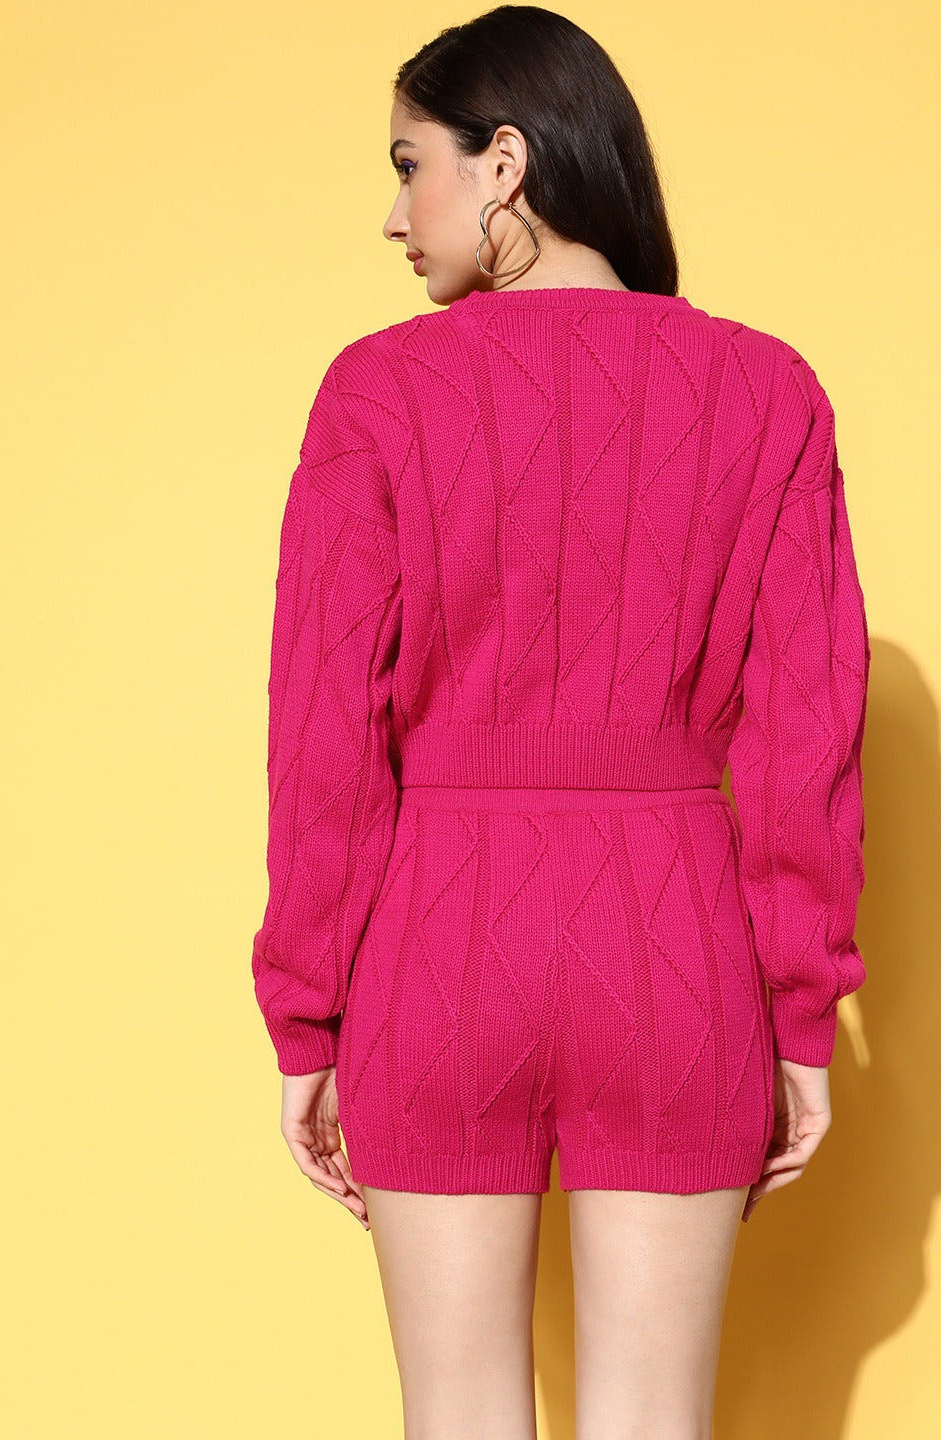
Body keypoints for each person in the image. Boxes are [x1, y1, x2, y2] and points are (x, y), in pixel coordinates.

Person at [249, 6, 870, 1437]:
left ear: (505, 162)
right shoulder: (768, 391)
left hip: (438, 944)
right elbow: (808, 734)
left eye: (410, 166)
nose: (393, 215)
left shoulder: (378, 392)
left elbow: (324, 739)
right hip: (676, 949)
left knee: (459, 1418)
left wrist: (305, 1018)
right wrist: (802, 1012)